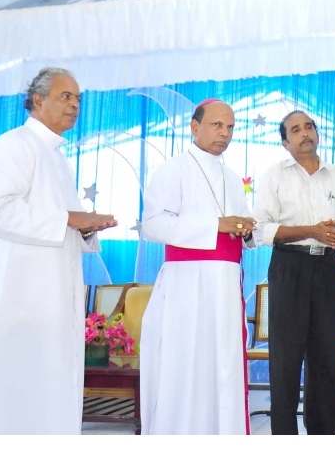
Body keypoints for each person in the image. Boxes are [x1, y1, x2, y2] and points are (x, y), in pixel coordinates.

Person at [0, 68, 117, 435]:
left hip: (53, 293)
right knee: (16, 380)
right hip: (18, 294)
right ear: (38, 100)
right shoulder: (13, 145)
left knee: (50, 377)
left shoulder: (57, 157)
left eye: (78, 99)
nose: (75, 105)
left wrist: (85, 226)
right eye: (66, 96)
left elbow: (63, 221)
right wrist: (71, 219)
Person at [140, 98, 256, 435]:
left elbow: (242, 226)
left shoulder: (232, 178)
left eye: (230, 127)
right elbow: (153, 225)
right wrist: (216, 225)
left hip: (225, 287)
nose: (225, 133)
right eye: (217, 125)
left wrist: (247, 231)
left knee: (223, 366)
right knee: (185, 365)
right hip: (186, 286)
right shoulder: (172, 169)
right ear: (194, 127)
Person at [254, 110, 335, 435]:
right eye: (295, 130)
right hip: (289, 267)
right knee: (286, 359)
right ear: (284, 142)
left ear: (317, 133)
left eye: (309, 127)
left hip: (329, 268)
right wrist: (311, 231)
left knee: (326, 357)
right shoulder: (274, 176)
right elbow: (262, 229)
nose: (305, 133)